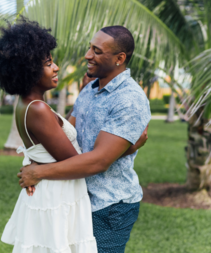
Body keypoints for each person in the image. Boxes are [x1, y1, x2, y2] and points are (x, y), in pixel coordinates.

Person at [18, 26, 151, 253]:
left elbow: (98, 161)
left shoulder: (129, 99)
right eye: (90, 48)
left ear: (120, 58)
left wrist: (38, 172)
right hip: (76, 198)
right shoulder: (90, 89)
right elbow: (67, 135)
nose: (88, 55)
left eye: (97, 51)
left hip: (108, 205)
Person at [0, 18, 98, 252]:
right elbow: (74, 162)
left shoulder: (29, 104)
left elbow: (59, 133)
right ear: (28, 69)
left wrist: (82, 96)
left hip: (52, 191)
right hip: (58, 196)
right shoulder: (37, 109)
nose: (56, 67)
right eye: (48, 63)